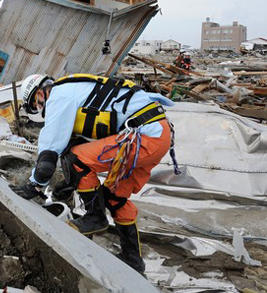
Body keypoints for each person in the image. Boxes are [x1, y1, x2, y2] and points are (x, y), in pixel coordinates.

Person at [10, 73, 180, 274]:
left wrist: (35, 185)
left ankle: (95, 216)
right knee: (115, 197)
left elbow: (50, 150)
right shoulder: (81, 93)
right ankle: (133, 259)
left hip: (142, 135)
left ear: (40, 93)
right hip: (158, 134)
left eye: (36, 105)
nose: (40, 109)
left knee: (76, 157)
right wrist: (68, 183)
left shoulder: (59, 94)